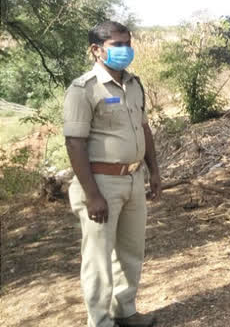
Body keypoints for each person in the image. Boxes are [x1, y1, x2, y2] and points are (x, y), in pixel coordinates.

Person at [63, 21, 161, 327]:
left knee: (131, 251)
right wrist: (92, 195)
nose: (125, 50)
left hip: (133, 179)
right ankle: (100, 321)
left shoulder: (134, 85)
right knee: (99, 258)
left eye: (127, 43)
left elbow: (143, 128)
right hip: (99, 183)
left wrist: (154, 171)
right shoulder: (83, 89)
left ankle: (125, 310)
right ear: (96, 50)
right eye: (116, 45)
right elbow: (74, 142)